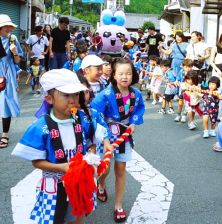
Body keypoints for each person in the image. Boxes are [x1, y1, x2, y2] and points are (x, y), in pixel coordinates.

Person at [11, 69, 96, 223]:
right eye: (66, 95)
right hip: (54, 185)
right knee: (54, 217)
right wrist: (63, 167)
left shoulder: (83, 119)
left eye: (76, 94)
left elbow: (91, 144)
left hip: (78, 182)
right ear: (49, 99)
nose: (73, 100)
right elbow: (36, 162)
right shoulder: (40, 127)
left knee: (77, 214)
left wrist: (91, 156)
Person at [90, 58, 145, 223]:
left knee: (121, 170)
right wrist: (105, 138)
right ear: (113, 75)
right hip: (105, 136)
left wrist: (134, 121)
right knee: (104, 169)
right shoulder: (106, 94)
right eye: (120, 73)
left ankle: (118, 205)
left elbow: (140, 107)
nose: (124, 77)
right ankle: (101, 184)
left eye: (128, 73)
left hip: (124, 135)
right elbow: (94, 113)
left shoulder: (136, 93)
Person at [0, 14, 23, 148]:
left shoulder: (13, 40)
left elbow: (17, 61)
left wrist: (14, 52)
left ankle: (5, 134)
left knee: (5, 104)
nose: (9, 28)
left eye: (10, 26)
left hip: (7, 75)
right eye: (7, 26)